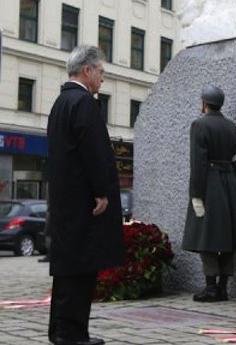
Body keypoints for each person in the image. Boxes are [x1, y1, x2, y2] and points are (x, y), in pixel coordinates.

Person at [47, 45, 125, 345]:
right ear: (87, 70)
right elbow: (94, 154)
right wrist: (101, 192)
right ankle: (73, 335)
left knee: (67, 272)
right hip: (84, 204)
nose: (102, 79)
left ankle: (61, 331)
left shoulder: (61, 102)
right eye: (101, 72)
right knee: (80, 272)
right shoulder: (84, 103)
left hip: (66, 203)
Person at [182, 85, 236, 302]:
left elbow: (197, 163)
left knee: (206, 236)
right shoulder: (233, 127)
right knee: (228, 238)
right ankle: (223, 288)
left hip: (209, 183)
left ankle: (210, 288)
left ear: (204, 103)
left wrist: (196, 193)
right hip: (230, 183)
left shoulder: (199, 125)